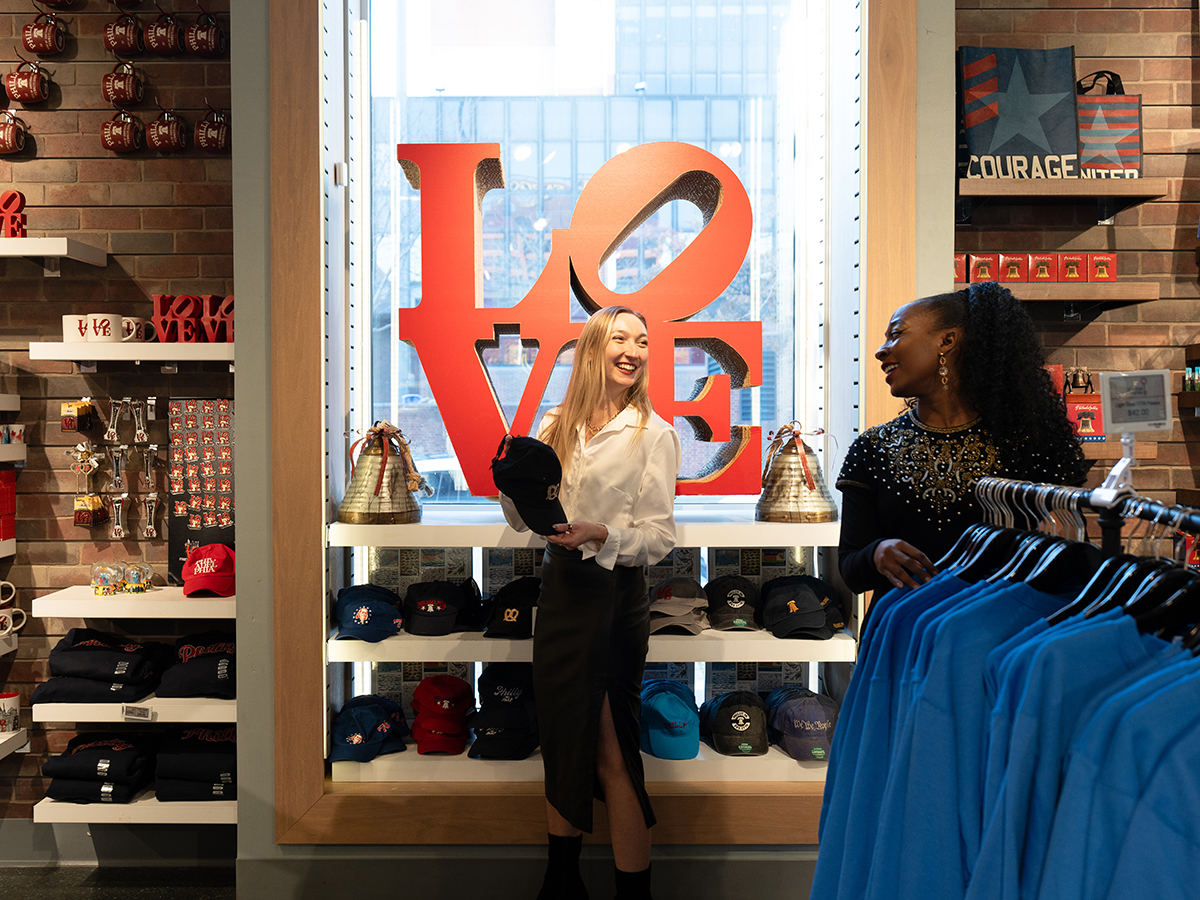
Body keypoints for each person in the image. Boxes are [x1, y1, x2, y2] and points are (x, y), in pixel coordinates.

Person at [498, 305, 682, 900]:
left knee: (610, 746)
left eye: (643, 341)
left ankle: (633, 892)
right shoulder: (555, 424)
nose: (633, 350)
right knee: (561, 738)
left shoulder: (655, 434)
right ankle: (561, 880)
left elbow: (659, 539)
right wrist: (514, 486)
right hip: (560, 593)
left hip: (612, 598)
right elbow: (529, 519)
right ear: (593, 348)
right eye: (620, 338)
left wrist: (603, 534)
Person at [836, 281, 1087, 601]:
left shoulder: (1025, 444)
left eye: (896, 333)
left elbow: (1068, 559)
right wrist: (877, 553)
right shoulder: (873, 448)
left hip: (997, 635)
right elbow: (849, 568)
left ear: (947, 341)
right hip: (902, 633)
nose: (881, 350)